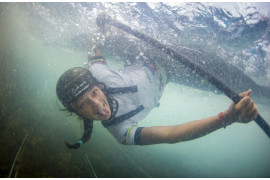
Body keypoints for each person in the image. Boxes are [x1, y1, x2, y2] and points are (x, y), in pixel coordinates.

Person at [56, 35, 258, 149]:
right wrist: (228, 117)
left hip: (150, 53)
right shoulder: (121, 132)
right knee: (238, 80)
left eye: (94, 93)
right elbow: (171, 135)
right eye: (83, 104)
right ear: (77, 113)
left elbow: (93, 49)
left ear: (98, 86)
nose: (97, 104)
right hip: (172, 73)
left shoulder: (101, 74)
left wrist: (100, 27)